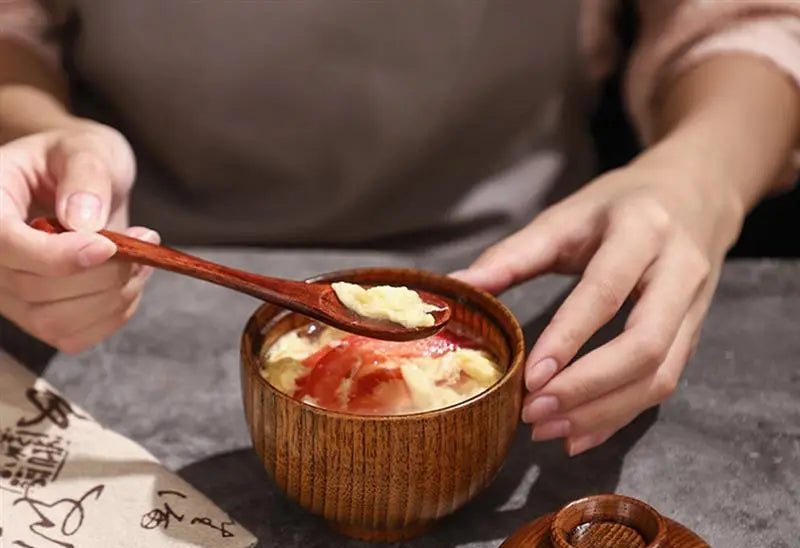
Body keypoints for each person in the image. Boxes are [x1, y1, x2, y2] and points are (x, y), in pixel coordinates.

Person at [1, 1, 799, 456]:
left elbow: (748, 23)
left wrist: (700, 178)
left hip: (531, 275)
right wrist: (35, 144)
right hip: (140, 274)